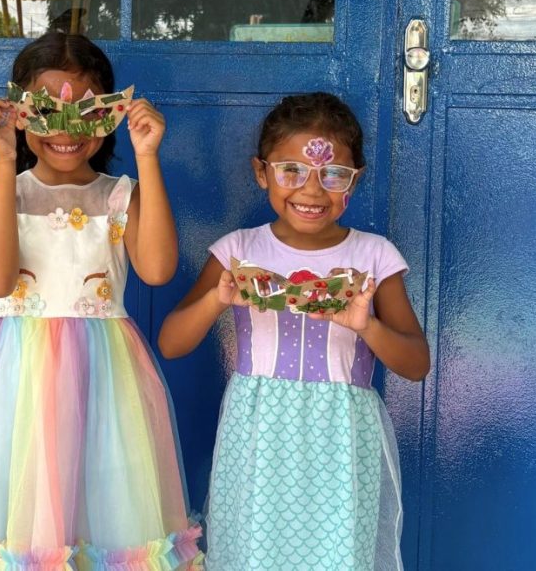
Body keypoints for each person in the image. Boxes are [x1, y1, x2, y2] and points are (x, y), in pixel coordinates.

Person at [0, 32, 201, 570]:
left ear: (110, 116)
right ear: (19, 113)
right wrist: (2, 162)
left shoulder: (123, 195)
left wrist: (148, 156)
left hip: (105, 376)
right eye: (46, 113)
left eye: (85, 113)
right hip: (16, 377)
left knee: (102, 499)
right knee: (18, 502)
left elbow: (157, 269)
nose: (65, 132)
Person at [159, 92, 429, 571]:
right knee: (254, 550)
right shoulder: (237, 250)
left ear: (355, 179)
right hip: (258, 432)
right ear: (261, 172)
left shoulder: (375, 256)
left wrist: (366, 326)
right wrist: (217, 299)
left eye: (333, 174)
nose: (312, 190)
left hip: (342, 437)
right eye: (291, 171)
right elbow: (172, 343)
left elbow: (416, 363)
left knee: (338, 554)